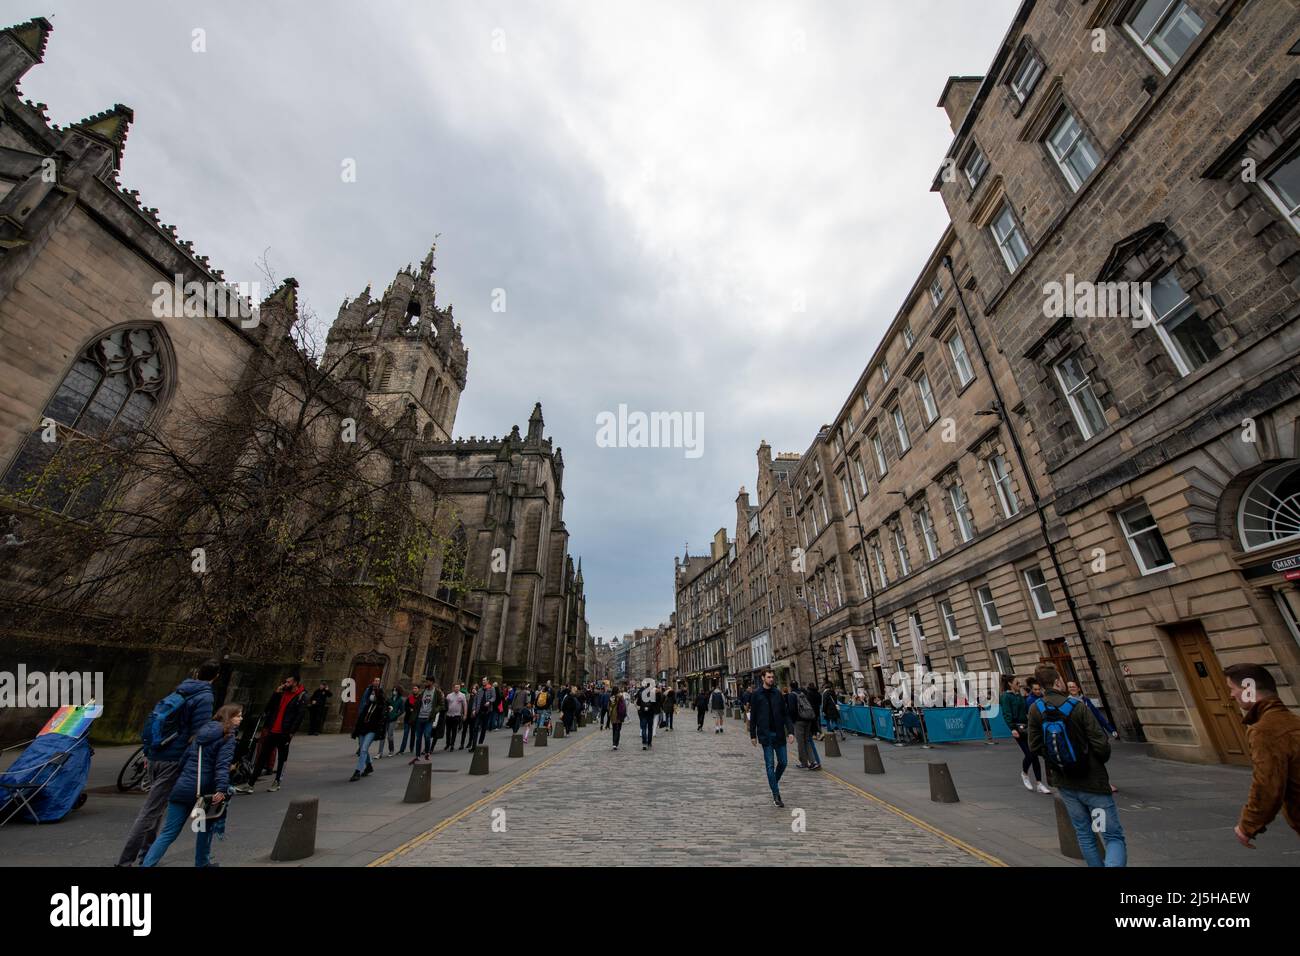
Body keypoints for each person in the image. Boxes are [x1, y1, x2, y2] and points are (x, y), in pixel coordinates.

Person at [117, 659, 219, 867]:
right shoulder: (205, 696)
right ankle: (125, 861)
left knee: (157, 808)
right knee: (150, 811)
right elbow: (199, 734)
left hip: (156, 753)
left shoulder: (181, 690)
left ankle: (145, 854)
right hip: (173, 758)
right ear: (216, 677)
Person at [1028, 665, 1125, 867]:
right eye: (1062, 679)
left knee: (1085, 833)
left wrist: (1056, 760)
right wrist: (1095, 762)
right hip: (1092, 783)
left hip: (1066, 783)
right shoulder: (1077, 706)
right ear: (1057, 682)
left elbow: (1034, 746)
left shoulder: (1036, 709)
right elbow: (1100, 743)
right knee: (1111, 836)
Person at [141, 704, 242, 867]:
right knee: (203, 829)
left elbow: (183, 762)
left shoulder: (199, 735)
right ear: (228, 718)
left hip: (182, 788)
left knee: (168, 832)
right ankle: (202, 863)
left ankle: (147, 864)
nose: (241, 718)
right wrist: (221, 789)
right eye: (238, 716)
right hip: (204, 792)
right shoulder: (227, 737)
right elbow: (222, 766)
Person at [1225, 662, 1300, 847]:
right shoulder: (1293, 721)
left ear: (1248, 689)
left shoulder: (1265, 730)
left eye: (1232, 688)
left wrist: (1247, 826)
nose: (1231, 695)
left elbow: (1267, 785)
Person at [235, 675, 306, 794]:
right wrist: (276, 694)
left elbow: (299, 716)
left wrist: (291, 732)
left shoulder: (302, 696)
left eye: (288, 682)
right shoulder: (282, 693)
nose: (285, 684)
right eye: (285, 681)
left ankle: (277, 781)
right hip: (273, 729)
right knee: (262, 756)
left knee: (282, 758)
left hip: (285, 732)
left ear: (295, 683)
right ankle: (250, 784)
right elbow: (268, 708)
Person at [750, 667, 796, 808]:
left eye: (772, 677)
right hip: (765, 735)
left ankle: (773, 783)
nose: (771, 679)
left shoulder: (778, 694)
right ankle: (776, 794)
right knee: (769, 764)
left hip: (779, 734)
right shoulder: (756, 695)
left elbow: (786, 714)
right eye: (769, 677)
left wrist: (790, 731)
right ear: (763, 678)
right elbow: (753, 717)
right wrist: (753, 735)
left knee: (783, 762)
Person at [1000, 675, 1049, 794]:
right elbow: (1006, 713)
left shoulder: (1020, 696)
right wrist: (1012, 728)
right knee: (1029, 754)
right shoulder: (1006, 697)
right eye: (1017, 682)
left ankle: (1039, 783)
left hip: (1027, 727)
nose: (1019, 684)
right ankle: (1024, 773)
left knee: (1035, 754)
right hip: (1017, 728)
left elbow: (1027, 710)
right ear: (1010, 684)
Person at [350, 682, 387, 781]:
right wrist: (357, 729)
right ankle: (369, 765)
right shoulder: (368, 705)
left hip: (372, 730)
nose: (372, 695)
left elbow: (382, 719)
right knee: (363, 749)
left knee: (363, 749)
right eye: (372, 694)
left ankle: (358, 771)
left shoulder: (380, 707)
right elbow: (361, 717)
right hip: (363, 729)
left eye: (374, 694)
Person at [789, 681, 821, 770]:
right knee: (807, 741)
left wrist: (793, 720)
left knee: (801, 743)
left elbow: (792, 709)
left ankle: (804, 762)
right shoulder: (802, 693)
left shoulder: (792, 695)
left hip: (799, 721)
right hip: (808, 719)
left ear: (790, 687)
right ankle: (813, 761)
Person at [469, 678, 496, 748]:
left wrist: (489, 701)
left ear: (488, 681)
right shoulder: (480, 690)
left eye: (484, 680)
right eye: (482, 680)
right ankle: (473, 746)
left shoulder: (491, 688)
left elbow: (494, 697)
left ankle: (480, 744)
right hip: (479, 711)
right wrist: (474, 709)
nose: (483, 681)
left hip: (487, 712)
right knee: (475, 727)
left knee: (484, 728)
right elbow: (475, 700)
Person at [380, 684, 403, 759]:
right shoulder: (390, 699)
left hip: (393, 719)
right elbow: (386, 706)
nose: (394, 691)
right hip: (387, 718)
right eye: (393, 690)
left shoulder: (400, 700)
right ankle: (380, 752)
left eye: (395, 690)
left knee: (390, 735)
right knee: (383, 735)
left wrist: (396, 715)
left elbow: (402, 710)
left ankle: (391, 750)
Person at [636, 679, 659, 750]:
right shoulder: (652, 694)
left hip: (643, 712)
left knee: (643, 728)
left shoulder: (641, 693)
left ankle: (644, 743)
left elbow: (638, 703)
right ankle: (649, 743)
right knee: (649, 728)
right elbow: (655, 703)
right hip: (650, 712)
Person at [443, 682, 468, 750]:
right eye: (455, 687)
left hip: (456, 716)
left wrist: (465, 714)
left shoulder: (462, 695)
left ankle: (452, 745)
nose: (456, 688)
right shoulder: (449, 695)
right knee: (448, 731)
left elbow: (465, 705)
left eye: (458, 687)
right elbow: (446, 705)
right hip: (448, 715)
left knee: (454, 731)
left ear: (459, 688)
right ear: (453, 688)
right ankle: (447, 744)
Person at [609, 684, 628, 750]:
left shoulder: (611, 697)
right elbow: (624, 706)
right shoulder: (620, 696)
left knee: (614, 729)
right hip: (619, 714)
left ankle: (614, 743)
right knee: (618, 729)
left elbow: (609, 706)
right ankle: (616, 743)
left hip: (613, 715)